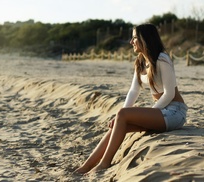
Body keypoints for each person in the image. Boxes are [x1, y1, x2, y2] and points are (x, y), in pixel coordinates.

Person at [74, 23, 188, 174]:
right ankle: (87, 166)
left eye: (134, 38)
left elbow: (169, 94)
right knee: (119, 123)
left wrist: (151, 113)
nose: (131, 42)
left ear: (144, 39)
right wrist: (121, 115)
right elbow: (134, 90)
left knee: (122, 114)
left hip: (175, 112)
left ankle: (104, 163)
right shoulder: (140, 61)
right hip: (162, 112)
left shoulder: (162, 59)